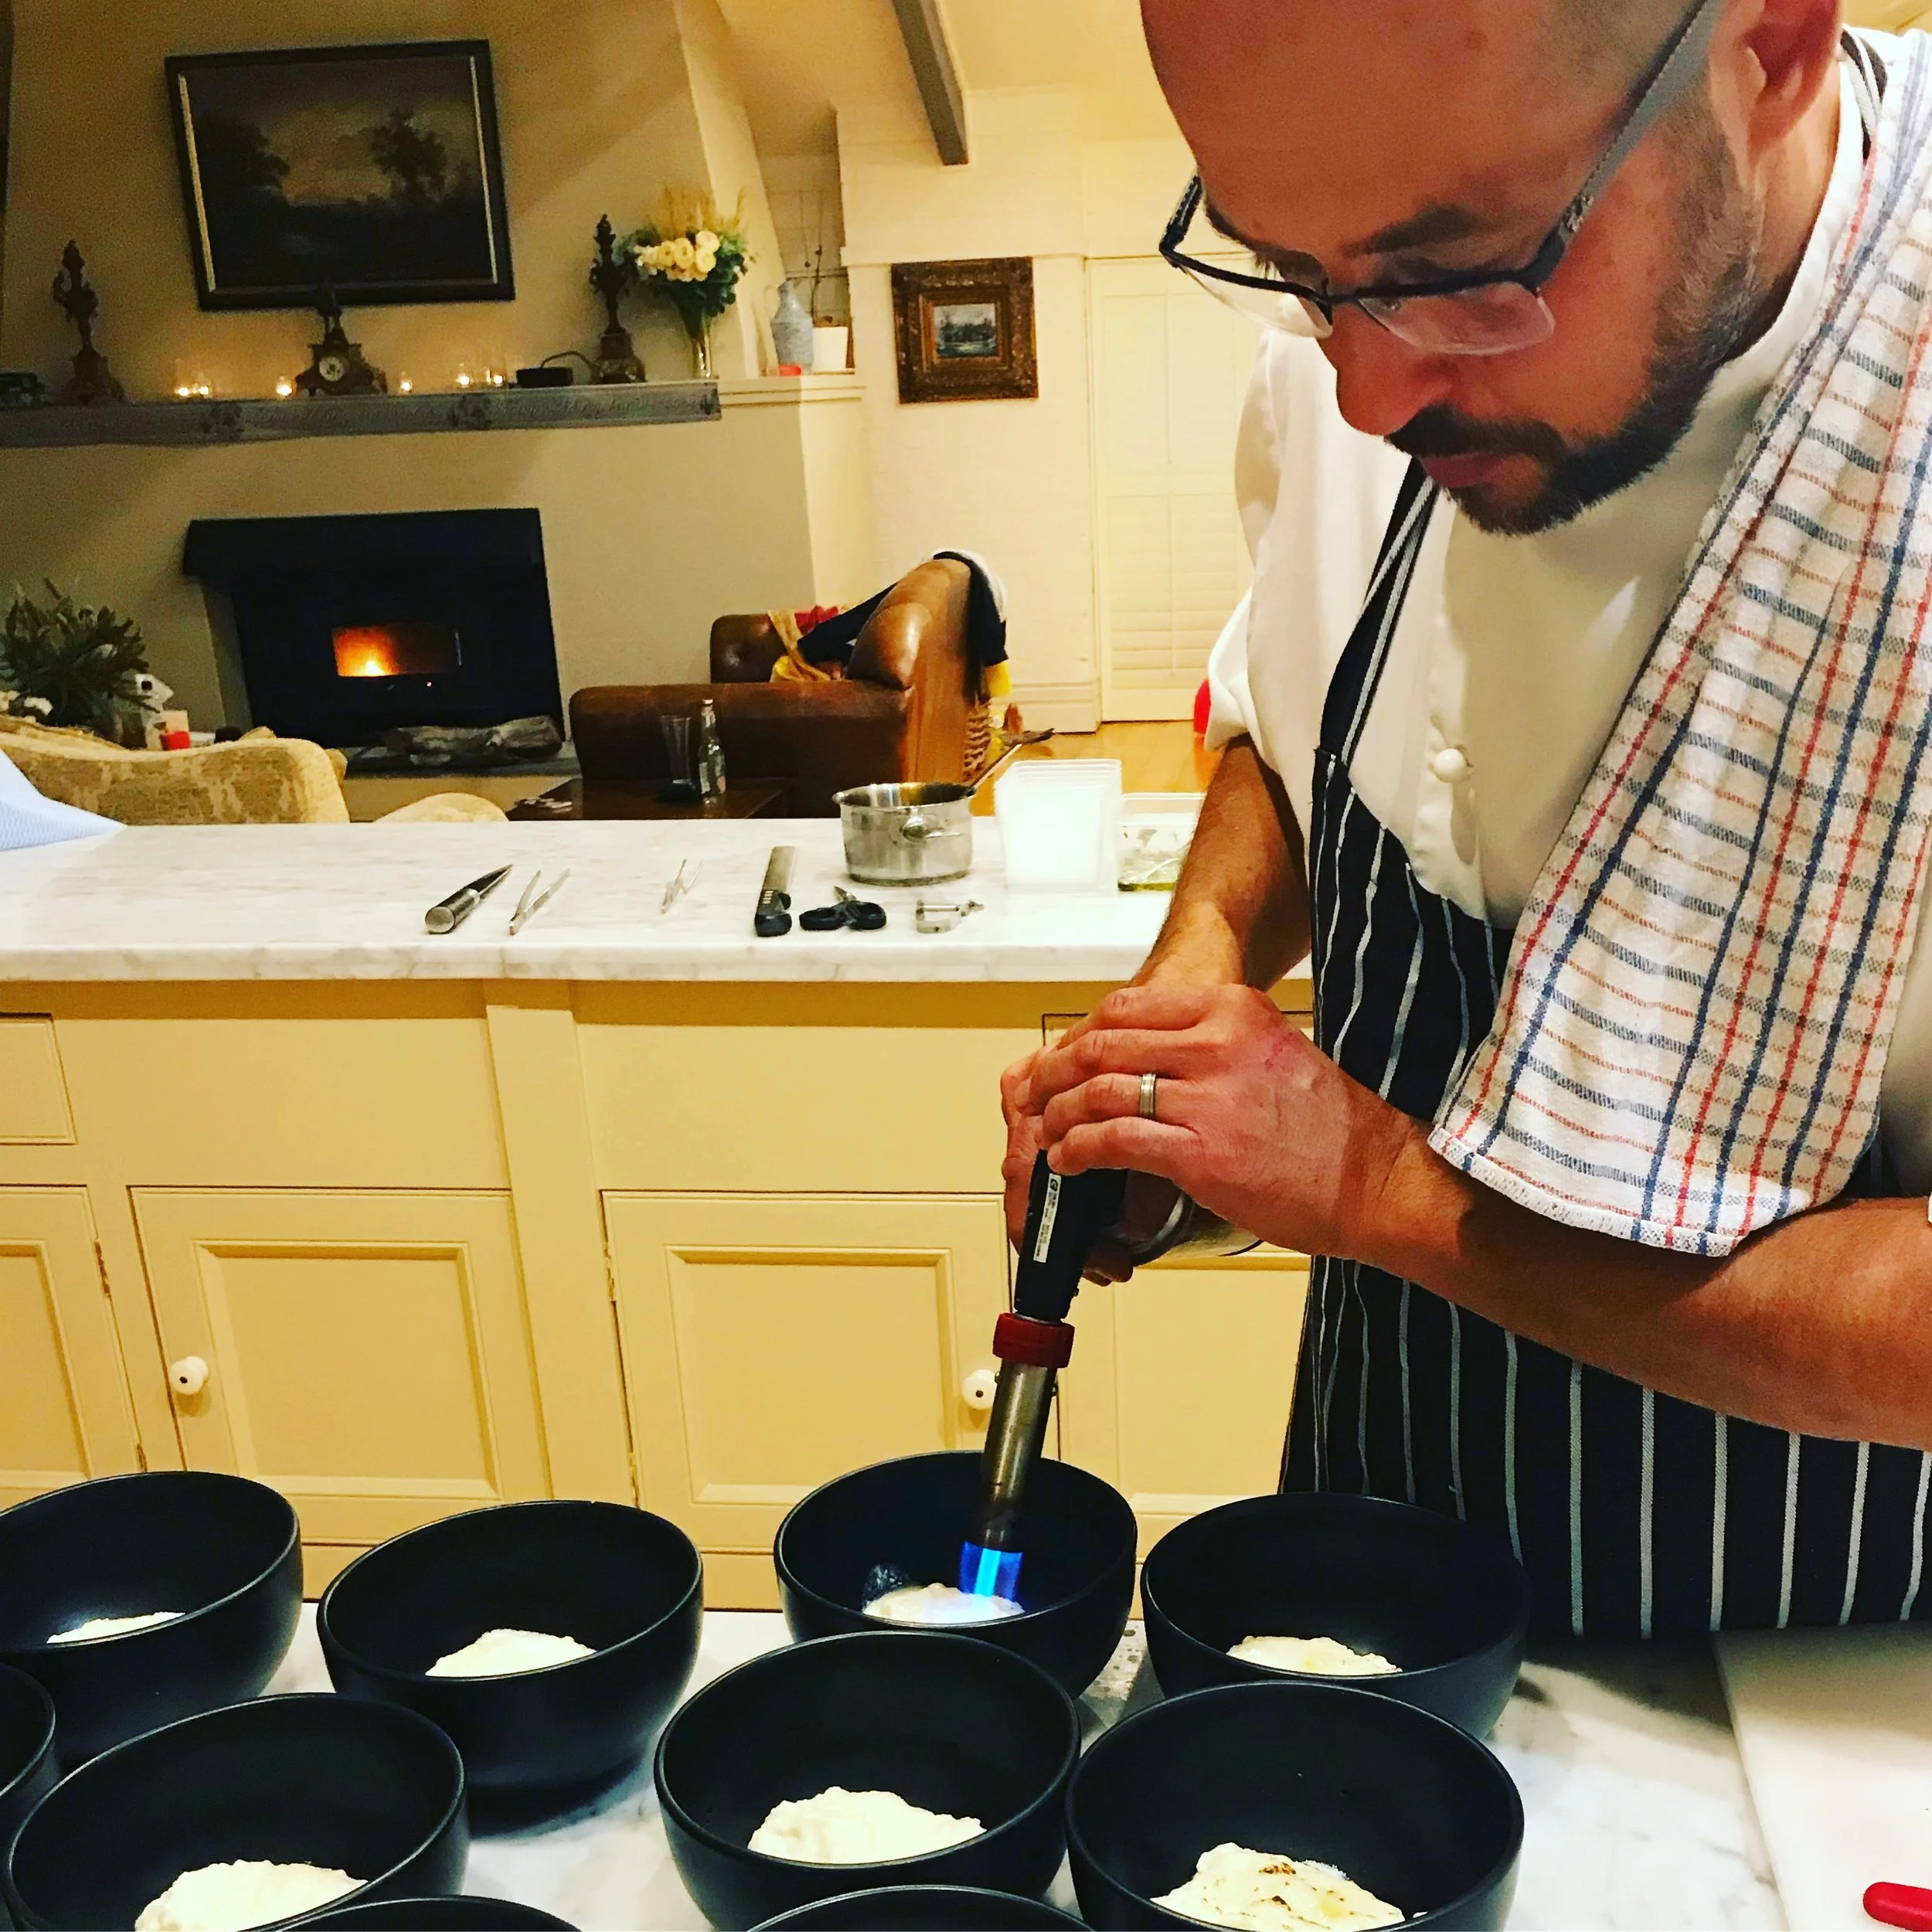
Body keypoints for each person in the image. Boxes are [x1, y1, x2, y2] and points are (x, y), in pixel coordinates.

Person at [1003, 0, 1932, 1634]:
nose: (1366, 396)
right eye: (1291, 273)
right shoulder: (1366, 314)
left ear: (1769, 45)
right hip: (1374, 1565)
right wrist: (1191, 970)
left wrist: (1374, 1187)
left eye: (1458, 276)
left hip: (1801, 1679)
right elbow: (1300, 731)